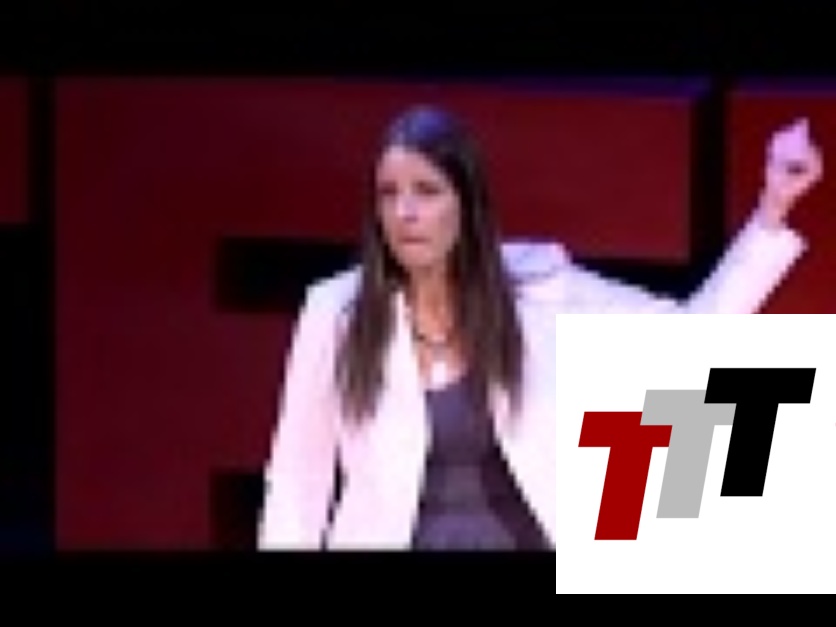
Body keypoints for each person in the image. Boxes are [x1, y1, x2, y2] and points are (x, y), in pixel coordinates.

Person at [257, 103, 823, 551]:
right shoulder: (336, 312)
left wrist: (772, 208)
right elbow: (297, 486)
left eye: (426, 191)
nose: (405, 213)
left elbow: (692, 334)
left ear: (466, 203)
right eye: (389, 194)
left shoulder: (540, 288)